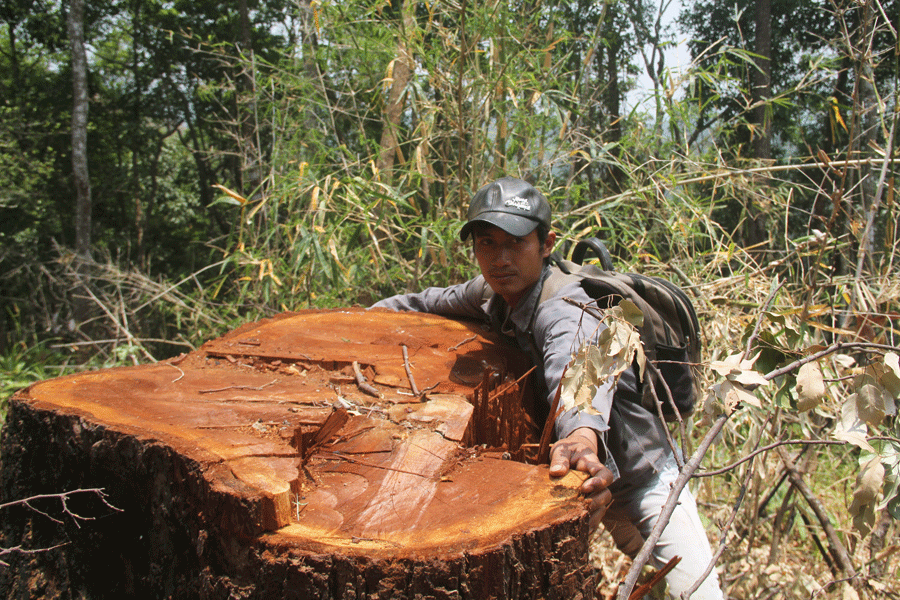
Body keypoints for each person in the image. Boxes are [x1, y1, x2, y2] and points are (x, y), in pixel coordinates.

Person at [372, 176, 724, 599]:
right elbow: (426, 302)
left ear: (547, 243)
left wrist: (579, 436)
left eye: (515, 243)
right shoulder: (492, 292)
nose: (500, 259)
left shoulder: (566, 308)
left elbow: (578, 365)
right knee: (650, 585)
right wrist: (353, 316)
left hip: (643, 478)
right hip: (594, 484)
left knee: (697, 593)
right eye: (487, 244)